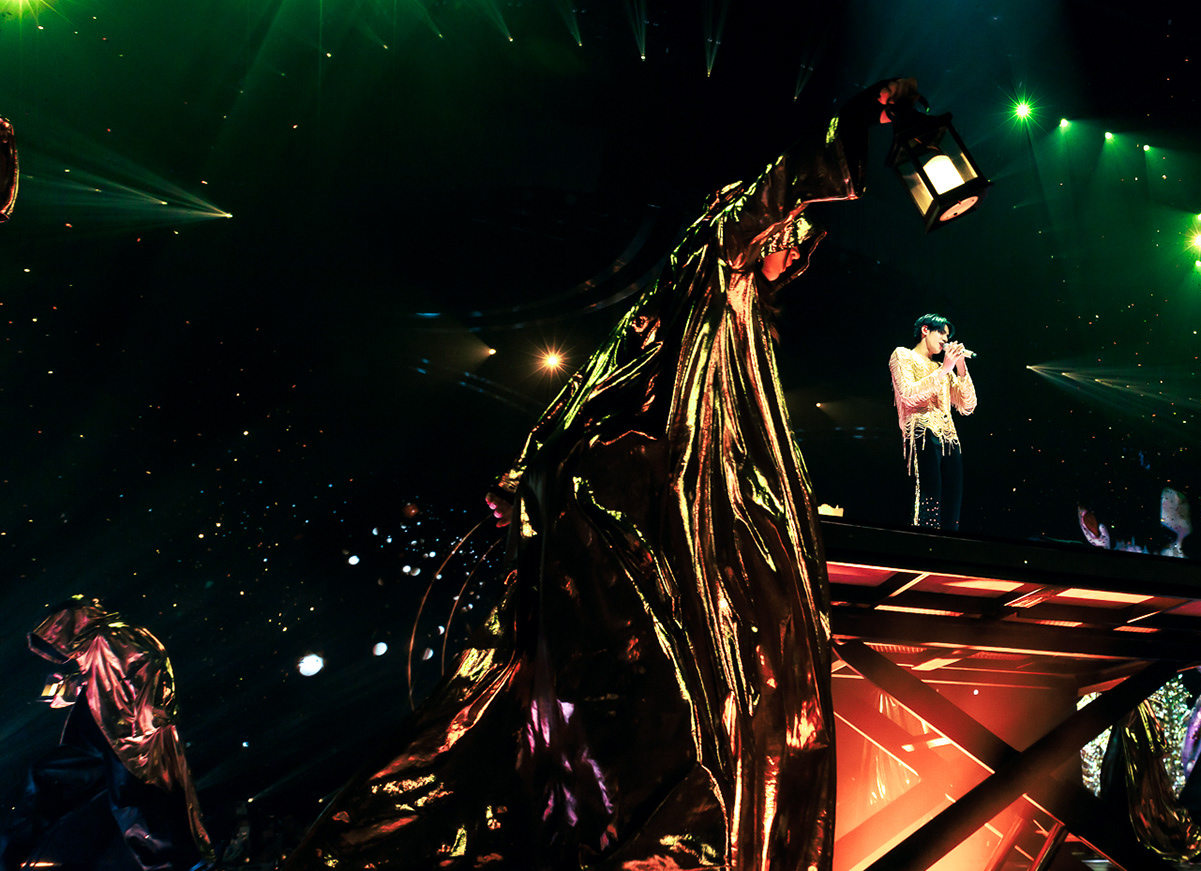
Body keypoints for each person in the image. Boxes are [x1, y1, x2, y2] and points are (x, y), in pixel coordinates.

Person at [287, 78, 925, 870]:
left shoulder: (727, 318)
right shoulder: (708, 267)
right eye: (788, 238)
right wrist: (855, 122)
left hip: (665, 499)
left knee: (725, 678)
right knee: (688, 685)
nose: (794, 255)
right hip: (638, 504)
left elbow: (597, 374)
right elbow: (752, 206)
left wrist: (525, 466)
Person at [0, 596, 213, 871]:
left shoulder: (114, 635)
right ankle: (9, 853)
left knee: (138, 804)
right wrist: (65, 688)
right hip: (100, 739)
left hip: (130, 739)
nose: (58, 646)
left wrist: (150, 722)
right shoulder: (95, 645)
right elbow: (98, 684)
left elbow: (148, 668)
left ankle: (179, 864)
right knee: (47, 779)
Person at [889, 313, 977, 529]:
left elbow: (968, 406)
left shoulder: (942, 368)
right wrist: (945, 369)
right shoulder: (903, 355)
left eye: (948, 336)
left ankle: (949, 542)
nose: (945, 339)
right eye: (941, 333)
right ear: (925, 330)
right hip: (922, 433)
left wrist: (960, 367)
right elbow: (908, 394)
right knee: (929, 495)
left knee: (952, 498)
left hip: (949, 439)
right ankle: (925, 541)